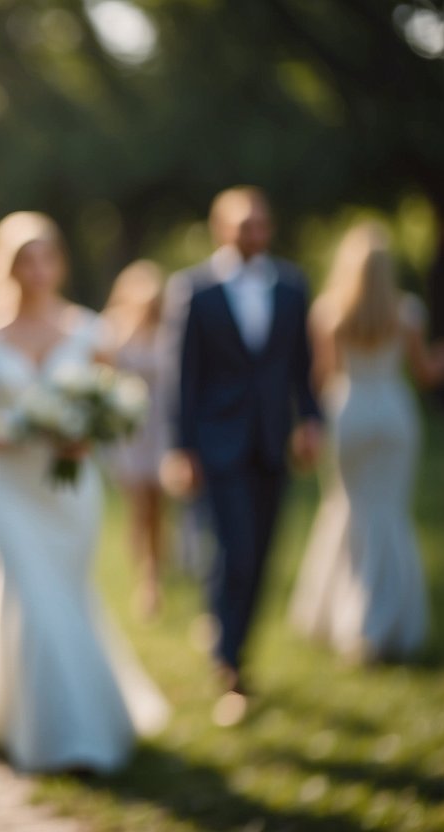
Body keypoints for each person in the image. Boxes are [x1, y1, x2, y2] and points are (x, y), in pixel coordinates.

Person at [0, 212, 168, 774]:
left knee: (65, 595)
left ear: (59, 263)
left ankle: (76, 720)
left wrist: (88, 437)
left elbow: (113, 405)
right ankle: (49, 736)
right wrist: (13, 432)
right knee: (27, 596)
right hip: (7, 489)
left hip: (70, 492)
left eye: (45, 256)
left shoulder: (90, 332)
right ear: (5, 267)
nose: (35, 269)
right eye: (23, 259)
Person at [162, 186, 321, 724]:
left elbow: (303, 364)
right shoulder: (195, 290)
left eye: (261, 224)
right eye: (243, 224)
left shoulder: (292, 286)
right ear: (221, 228)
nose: (254, 233)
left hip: (272, 440)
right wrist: (181, 448)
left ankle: (236, 645)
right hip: (217, 443)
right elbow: (181, 378)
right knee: (236, 551)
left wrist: (312, 422)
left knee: (264, 555)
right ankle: (228, 663)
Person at [289, 222, 444, 662]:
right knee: (390, 511)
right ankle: (389, 619)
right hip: (395, 414)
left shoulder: (330, 313)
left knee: (349, 509)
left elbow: (321, 378)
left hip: (351, 411)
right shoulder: (408, 312)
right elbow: (427, 373)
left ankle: (350, 618)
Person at [102, 259, 168, 618]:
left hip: (161, 429)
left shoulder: (168, 331)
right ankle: (143, 576)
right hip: (128, 432)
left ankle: (155, 573)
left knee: (159, 507)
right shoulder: (113, 328)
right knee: (138, 505)